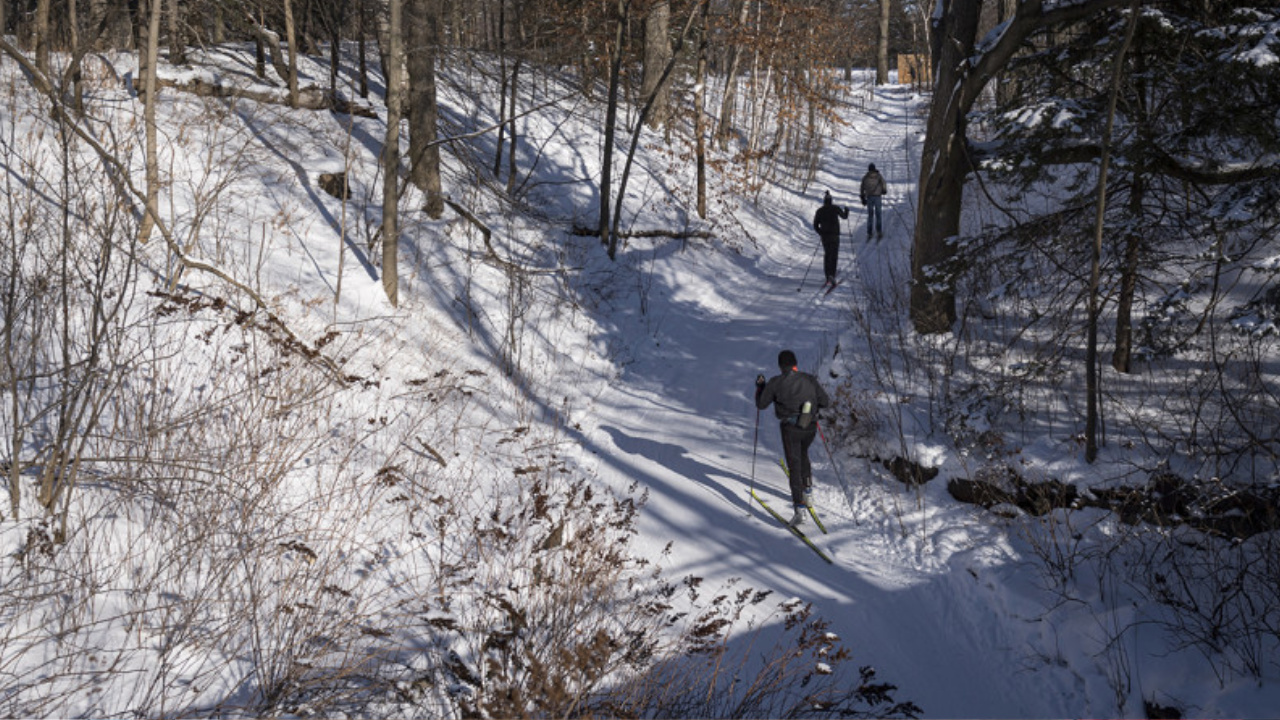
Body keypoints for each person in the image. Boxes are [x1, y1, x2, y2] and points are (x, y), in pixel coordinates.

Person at [754, 350, 831, 527]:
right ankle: (808, 493)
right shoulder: (809, 379)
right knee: (803, 455)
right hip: (810, 426)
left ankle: (799, 509)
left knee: (794, 465)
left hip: (791, 429)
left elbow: (761, 404)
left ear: (780, 366)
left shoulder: (775, 382)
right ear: (795, 363)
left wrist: (760, 387)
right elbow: (825, 402)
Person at [811, 191, 848, 287]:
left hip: (825, 236)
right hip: (834, 235)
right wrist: (847, 210)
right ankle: (832, 274)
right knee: (834, 255)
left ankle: (827, 275)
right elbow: (844, 217)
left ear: (824, 201)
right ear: (831, 201)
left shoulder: (820, 211)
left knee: (827, 254)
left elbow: (815, 225)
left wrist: (821, 232)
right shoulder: (835, 208)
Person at [859, 163, 887, 241]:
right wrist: (884, 190)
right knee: (878, 215)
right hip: (877, 197)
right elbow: (883, 183)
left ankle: (869, 233)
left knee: (870, 215)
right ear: (874, 169)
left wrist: (862, 197)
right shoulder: (878, 176)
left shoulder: (865, 177)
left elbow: (862, 188)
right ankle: (879, 231)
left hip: (869, 197)